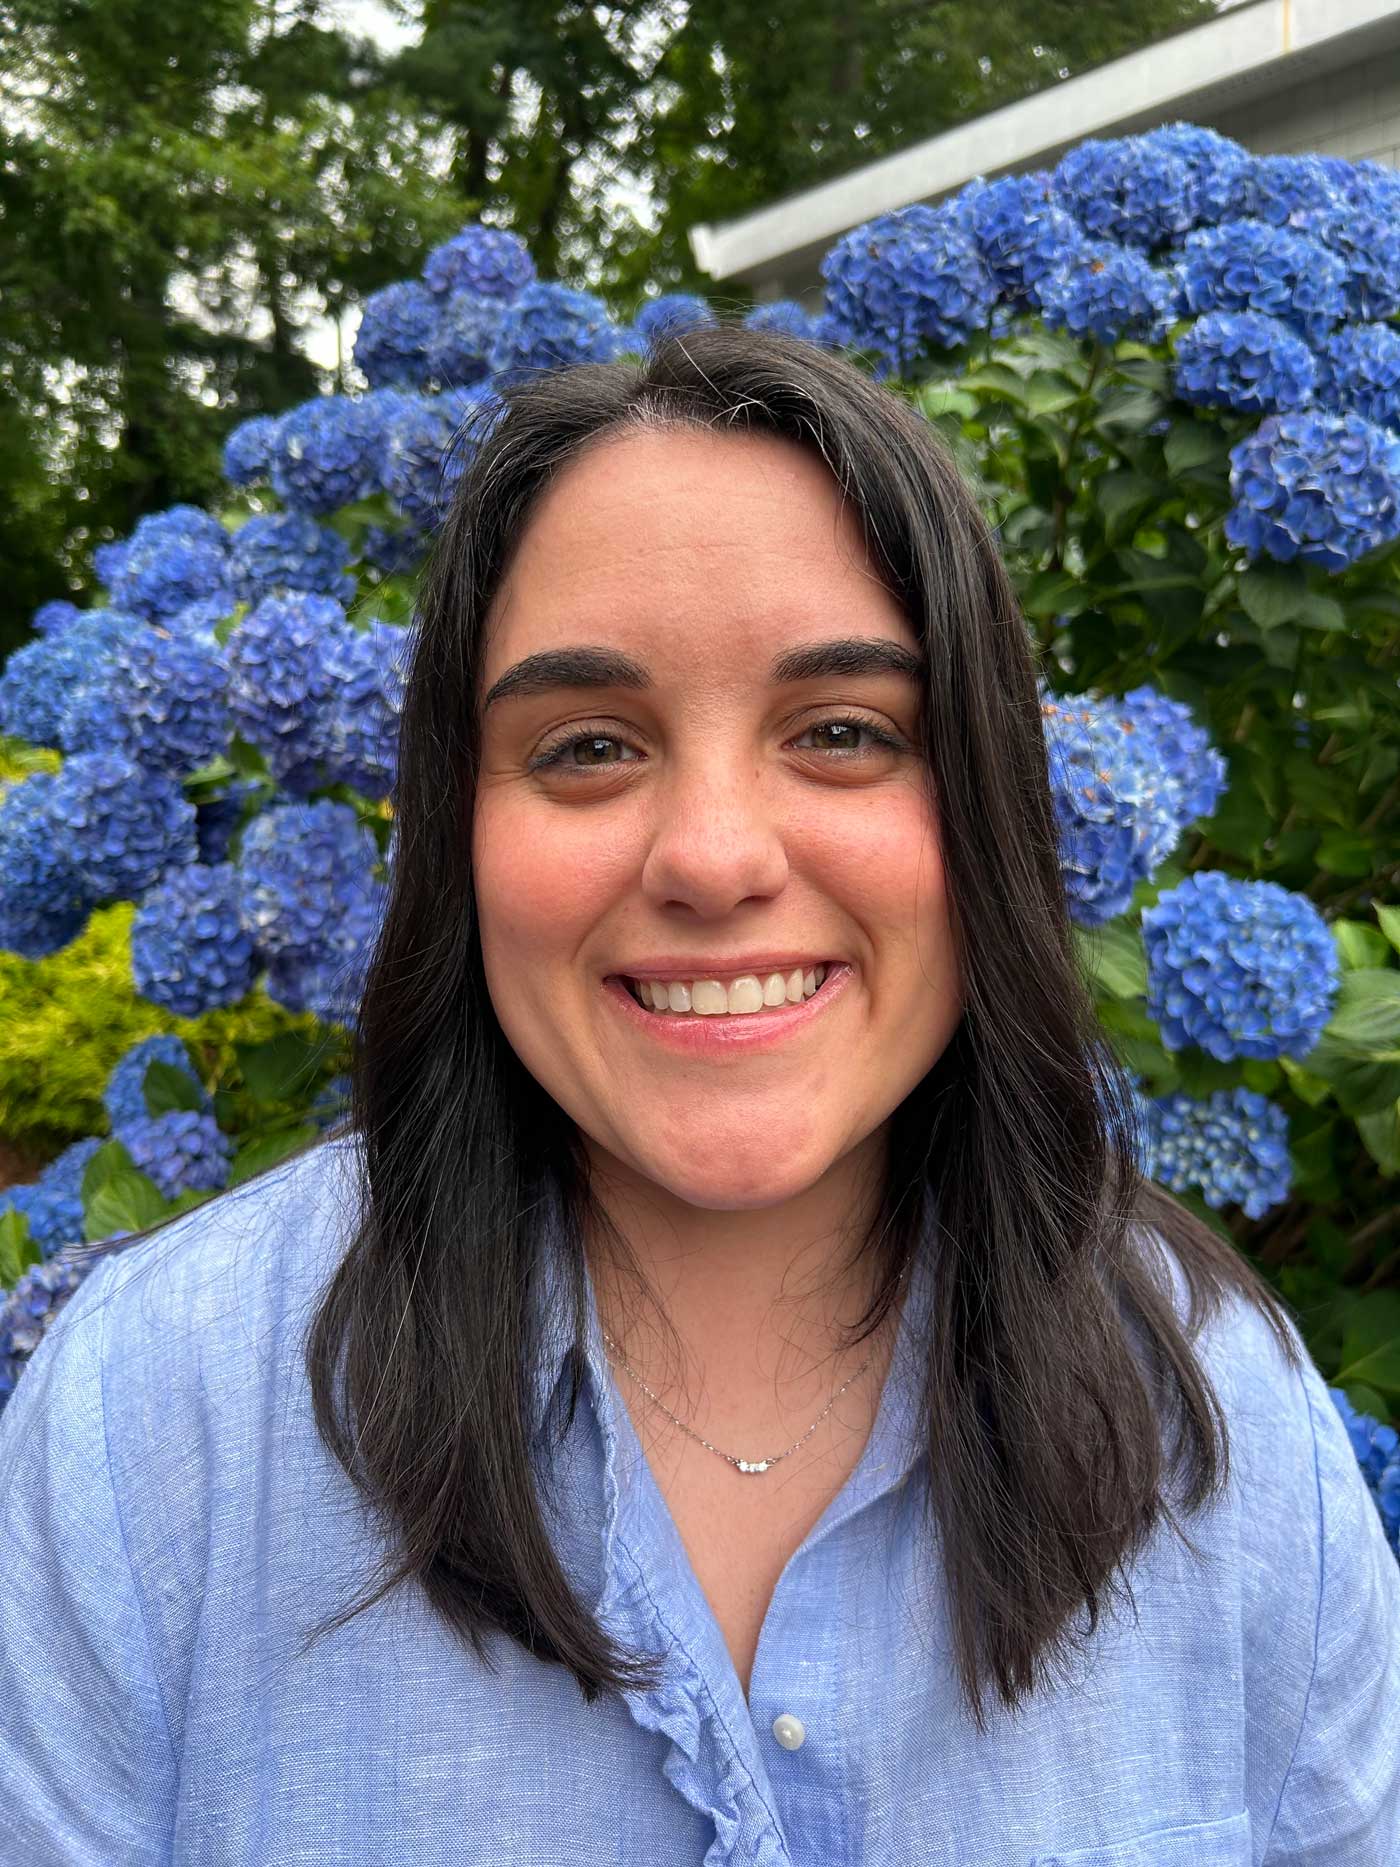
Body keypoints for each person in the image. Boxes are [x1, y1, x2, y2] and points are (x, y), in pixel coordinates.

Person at [1, 321, 1396, 1865]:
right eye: (587, 746)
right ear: (458, 830)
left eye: (845, 733)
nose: (716, 859)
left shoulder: (1230, 1430)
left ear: (989, 807)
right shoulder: (154, 1427)